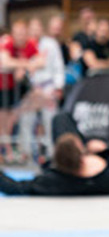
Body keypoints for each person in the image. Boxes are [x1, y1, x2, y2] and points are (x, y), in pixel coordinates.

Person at [0, 116, 109, 196]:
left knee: (61, 119)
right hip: (100, 170)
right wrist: (108, 150)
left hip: (69, 174)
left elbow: (15, 187)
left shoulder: (52, 181)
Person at [18, 17, 65, 159]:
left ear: (42, 29)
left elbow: (58, 66)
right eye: (32, 28)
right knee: (26, 120)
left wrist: (58, 87)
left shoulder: (50, 44)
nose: (35, 31)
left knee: (49, 122)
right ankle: (26, 153)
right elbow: (24, 69)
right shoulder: (26, 46)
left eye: (37, 28)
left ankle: (52, 155)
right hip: (33, 89)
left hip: (48, 88)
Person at [0, 20, 42, 162]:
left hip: (19, 88)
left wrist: (22, 67)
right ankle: (7, 151)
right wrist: (25, 65)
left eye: (23, 34)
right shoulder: (7, 42)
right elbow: (5, 62)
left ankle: (23, 149)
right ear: (13, 34)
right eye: (18, 34)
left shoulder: (30, 44)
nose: (21, 37)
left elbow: (41, 61)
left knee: (36, 100)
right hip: (3, 86)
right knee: (4, 120)